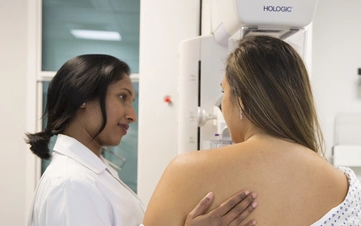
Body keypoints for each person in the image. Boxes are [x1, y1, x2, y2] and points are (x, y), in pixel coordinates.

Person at [143, 35, 361, 225]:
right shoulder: (345, 187)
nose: (222, 104)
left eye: (225, 91)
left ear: (241, 100)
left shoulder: (185, 172)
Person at [25, 54, 259, 226]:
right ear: (82, 98)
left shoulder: (90, 173)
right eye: (122, 97)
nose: (132, 115)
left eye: (131, 101)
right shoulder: (70, 184)